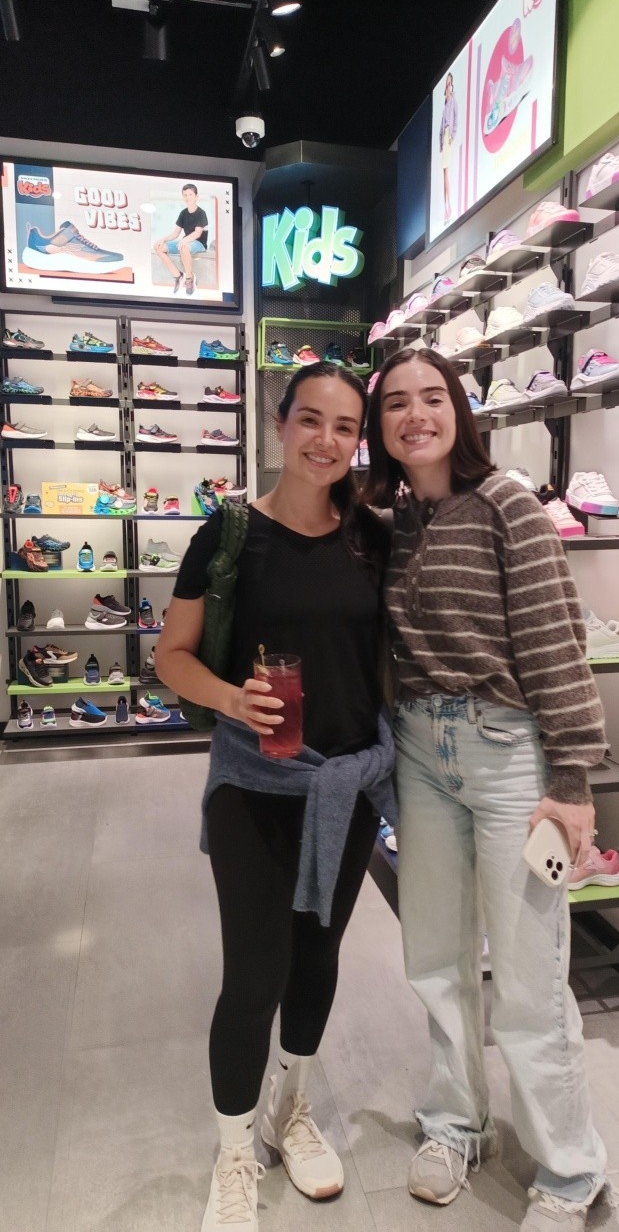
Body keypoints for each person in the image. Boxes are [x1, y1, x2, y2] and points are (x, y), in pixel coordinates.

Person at [364, 346, 609, 1232]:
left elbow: (555, 638)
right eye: (396, 402)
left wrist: (571, 780)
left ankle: (571, 1169)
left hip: (509, 755)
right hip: (420, 750)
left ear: (459, 412)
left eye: (432, 398)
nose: (416, 415)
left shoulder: (507, 502)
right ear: (380, 425)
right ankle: (453, 1122)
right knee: (436, 955)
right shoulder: (390, 518)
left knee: (530, 976)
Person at [156, 362, 395, 1232]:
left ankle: (287, 1110)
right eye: (311, 419)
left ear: (357, 440)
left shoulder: (371, 536)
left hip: (346, 785)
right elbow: (171, 655)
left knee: (316, 960)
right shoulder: (229, 533)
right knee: (256, 972)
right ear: (281, 422)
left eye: (345, 426)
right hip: (253, 784)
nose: (326, 440)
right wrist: (231, 698)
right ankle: (232, 1153)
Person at [153, 182, 208, 296]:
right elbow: (175, 233)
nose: (188, 197)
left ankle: (189, 278)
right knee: (158, 247)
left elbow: (197, 234)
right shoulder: (183, 213)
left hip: (199, 243)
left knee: (184, 246)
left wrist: (184, 240)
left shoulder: (201, 213)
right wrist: (163, 239)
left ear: (196, 196)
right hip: (186, 241)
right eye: (185, 195)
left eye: (190, 194)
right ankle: (178, 275)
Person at [439, 72, 456, 223]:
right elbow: (441, 125)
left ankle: (448, 206)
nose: (448, 86)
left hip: (448, 136)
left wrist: (452, 135)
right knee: (444, 172)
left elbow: (455, 119)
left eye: (450, 84)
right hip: (444, 138)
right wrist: (441, 142)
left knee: (446, 172)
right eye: (446, 84)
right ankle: (446, 207)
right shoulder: (445, 104)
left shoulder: (453, 101)